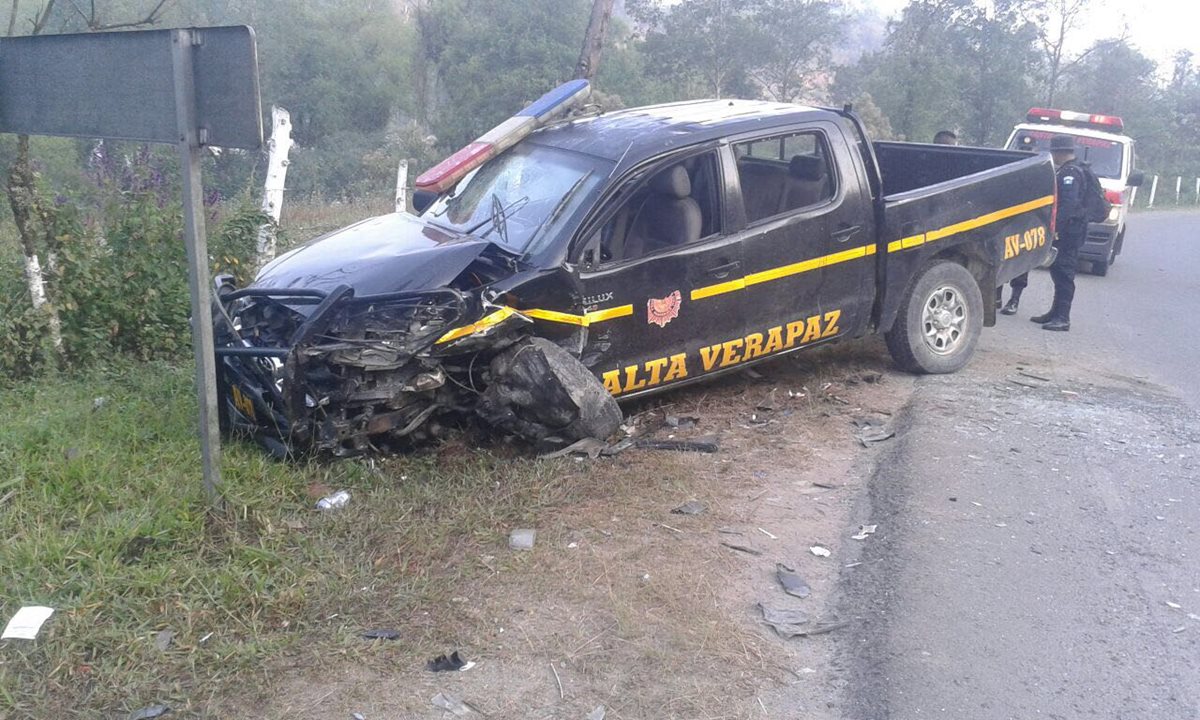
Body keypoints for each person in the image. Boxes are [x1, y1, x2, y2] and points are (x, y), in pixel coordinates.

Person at [1029, 134, 1089, 332]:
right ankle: (1055, 312)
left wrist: (1055, 229)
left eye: (1054, 152)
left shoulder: (1070, 174)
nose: (1053, 156)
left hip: (1069, 231)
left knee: (1064, 274)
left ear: (1060, 152)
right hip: (1069, 229)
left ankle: (1063, 317)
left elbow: (1068, 206)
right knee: (1057, 271)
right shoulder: (1070, 169)